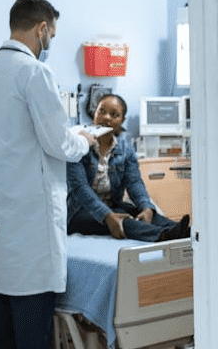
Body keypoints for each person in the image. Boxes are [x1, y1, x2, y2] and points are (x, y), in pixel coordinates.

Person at [0, 0, 97, 349]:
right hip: (29, 205)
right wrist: (83, 140)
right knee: (32, 295)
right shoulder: (34, 73)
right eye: (52, 33)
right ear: (41, 27)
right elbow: (58, 142)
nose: (51, 41)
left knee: (2, 292)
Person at [66, 93, 190, 242]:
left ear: (122, 120)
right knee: (124, 221)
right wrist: (108, 216)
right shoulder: (78, 147)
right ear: (94, 113)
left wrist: (146, 208)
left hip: (112, 205)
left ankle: (185, 232)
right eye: (102, 111)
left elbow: (134, 182)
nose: (106, 117)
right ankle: (162, 235)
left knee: (141, 211)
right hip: (79, 212)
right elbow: (80, 189)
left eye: (114, 115)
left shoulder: (126, 149)